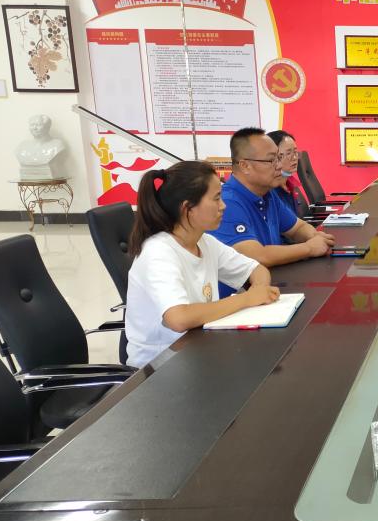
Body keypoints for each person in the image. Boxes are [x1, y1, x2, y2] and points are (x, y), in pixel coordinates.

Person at [126, 161, 280, 368]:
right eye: (216, 198)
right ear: (187, 208)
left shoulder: (204, 242)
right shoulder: (158, 252)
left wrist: (259, 290)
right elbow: (178, 319)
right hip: (161, 367)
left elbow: (256, 269)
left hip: (200, 353)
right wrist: (247, 298)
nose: (223, 206)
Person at [210, 127, 336, 269]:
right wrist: (310, 248)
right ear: (245, 166)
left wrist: (315, 237)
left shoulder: (267, 194)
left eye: (279, 158)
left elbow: (297, 228)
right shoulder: (227, 203)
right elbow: (258, 256)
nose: (279, 165)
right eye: (271, 160)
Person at [267, 129, 307, 217]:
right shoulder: (269, 191)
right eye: (288, 153)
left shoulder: (289, 183)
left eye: (295, 152)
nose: (295, 158)